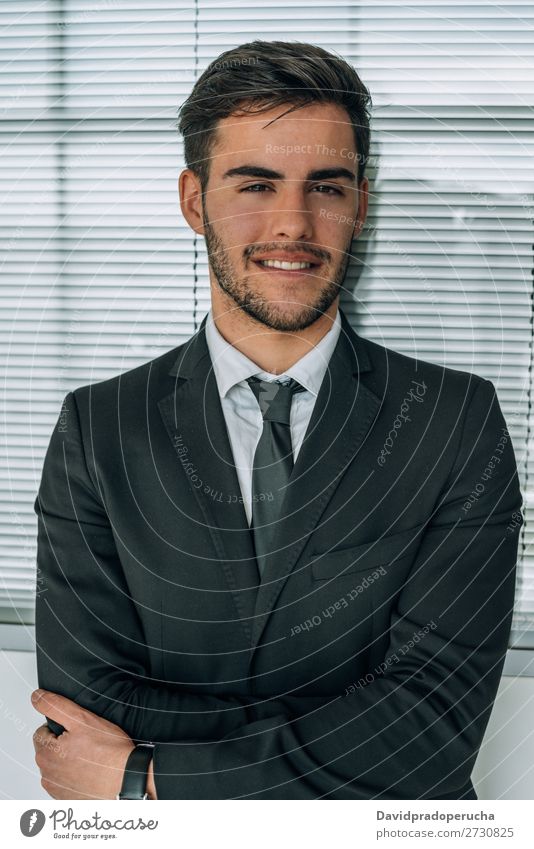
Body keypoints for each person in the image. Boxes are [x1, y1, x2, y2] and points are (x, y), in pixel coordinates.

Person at [31, 40, 523, 801]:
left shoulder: (455, 421)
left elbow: (429, 729)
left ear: (361, 203)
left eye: (325, 187)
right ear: (195, 201)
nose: (292, 224)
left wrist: (147, 773)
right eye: (255, 183)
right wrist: (341, 739)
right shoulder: (99, 428)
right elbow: (88, 697)